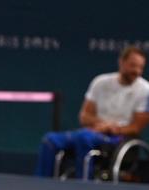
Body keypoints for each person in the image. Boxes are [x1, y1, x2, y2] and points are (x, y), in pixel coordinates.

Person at [36, 46, 149, 179]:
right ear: (121, 62)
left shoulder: (145, 90)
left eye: (141, 67)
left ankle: (83, 187)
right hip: (92, 132)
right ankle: (43, 183)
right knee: (50, 140)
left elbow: (135, 128)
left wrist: (112, 128)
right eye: (133, 66)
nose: (137, 71)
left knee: (84, 138)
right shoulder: (100, 82)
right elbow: (84, 117)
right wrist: (102, 124)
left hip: (118, 138)